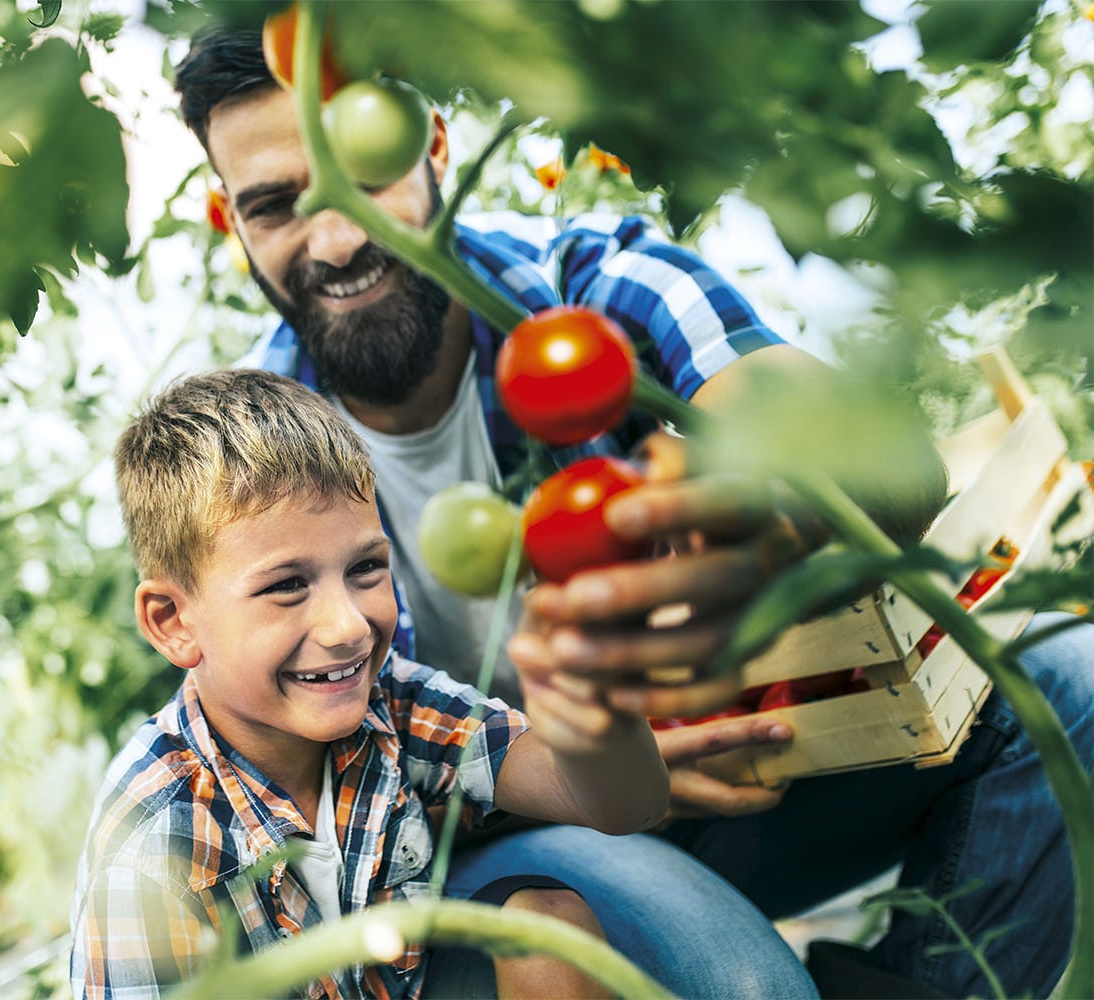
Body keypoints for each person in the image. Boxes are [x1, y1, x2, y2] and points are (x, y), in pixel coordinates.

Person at [171, 24, 1094, 1000]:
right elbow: (308, 810)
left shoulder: (589, 290)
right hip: (530, 840)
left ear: (433, 144)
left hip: (761, 770)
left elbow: (889, 470)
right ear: (232, 223)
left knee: (1072, 682)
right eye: (277, 206)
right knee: (747, 988)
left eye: (365, 175)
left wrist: (757, 519)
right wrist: (595, 775)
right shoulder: (256, 461)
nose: (340, 236)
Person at [70, 368, 671, 999]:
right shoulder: (154, 845)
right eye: (286, 586)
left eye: (365, 568)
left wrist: (597, 699)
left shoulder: (393, 702)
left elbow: (627, 805)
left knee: (548, 930)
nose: (349, 626)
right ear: (173, 623)